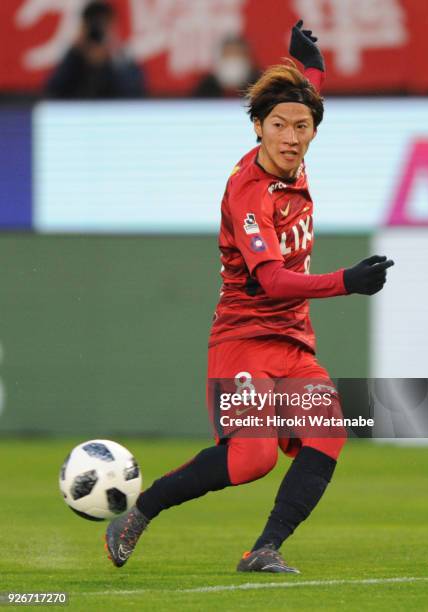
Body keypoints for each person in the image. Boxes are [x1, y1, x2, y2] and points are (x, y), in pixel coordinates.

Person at [105, 21, 394, 574]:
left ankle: (265, 549)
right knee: (253, 459)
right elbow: (273, 280)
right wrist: (345, 281)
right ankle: (141, 512)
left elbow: (305, 100)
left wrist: (312, 64)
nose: (291, 136)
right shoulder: (250, 194)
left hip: (292, 343)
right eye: (279, 125)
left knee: (330, 428)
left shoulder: (294, 151)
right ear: (258, 127)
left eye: (302, 126)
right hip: (243, 339)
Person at [45, 1, 145, 99]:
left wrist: (114, 54)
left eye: (104, 26)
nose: (98, 32)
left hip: (114, 113)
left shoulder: (122, 59)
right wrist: (75, 51)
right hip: (77, 113)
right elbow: (53, 90)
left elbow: (134, 93)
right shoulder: (74, 57)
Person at [193, 36, 260, 98]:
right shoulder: (206, 87)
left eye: (237, 54)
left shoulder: (260, 86)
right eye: (228, 54)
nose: (232, 59)